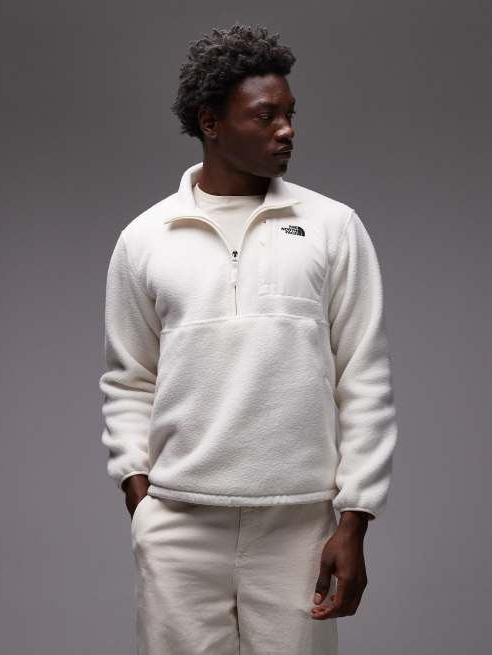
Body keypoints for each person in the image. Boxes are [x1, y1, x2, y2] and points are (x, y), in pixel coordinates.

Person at [99, 22, 398, 655]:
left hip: (299, 528)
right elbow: (129, 379)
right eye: (266, 116)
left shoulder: (333, 227)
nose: (286, 130)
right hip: (179, 525)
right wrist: (138, 493)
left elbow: (363, 378)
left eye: (290, 115)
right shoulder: (145, 238)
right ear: (210, 122)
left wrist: (355, 519)